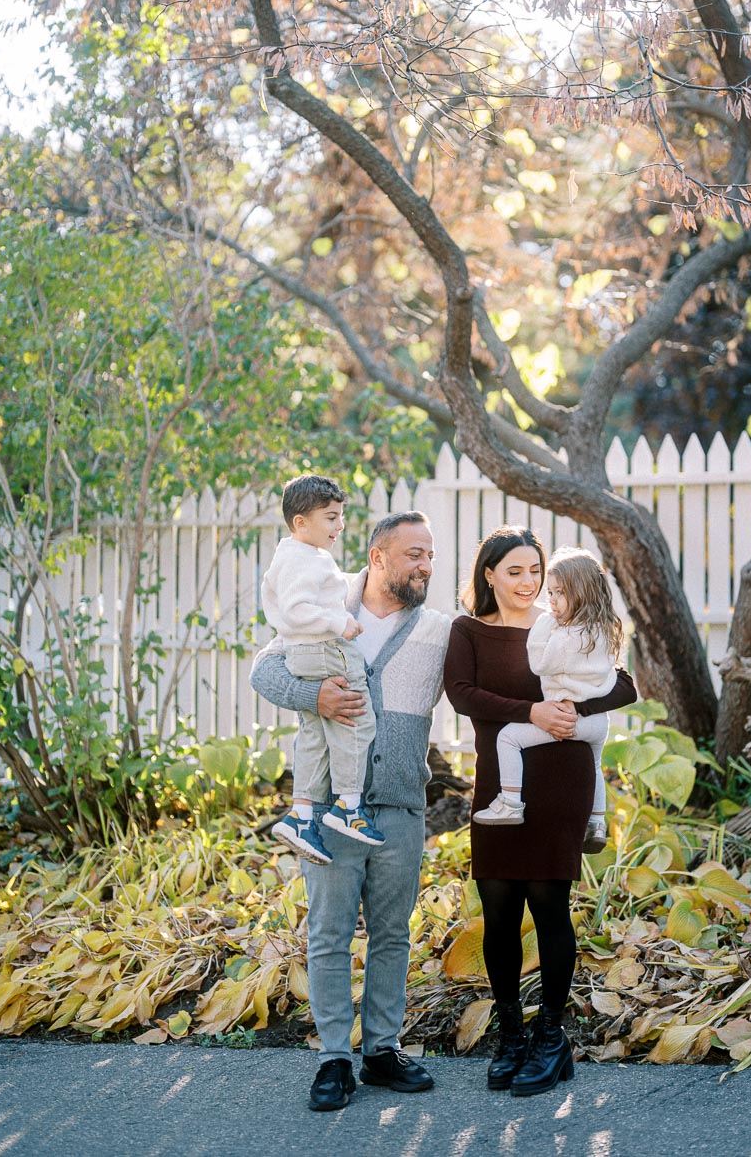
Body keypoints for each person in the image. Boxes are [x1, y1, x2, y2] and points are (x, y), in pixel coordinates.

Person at [250, 512, 452, 1112]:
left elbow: (485, 679)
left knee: (392, 935)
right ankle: (335, 1057)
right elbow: (265, 669)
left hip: (400, 806)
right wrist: (313, 694)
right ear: (378, 556)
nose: (425, 566)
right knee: (330, 934)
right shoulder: (324, 606)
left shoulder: (440, 630)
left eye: (430, 555)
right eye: (414, 554)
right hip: (333, 812)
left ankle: (382, 1051)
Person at [443, 526, 636, 1097]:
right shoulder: (469, 631)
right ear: (489, 575)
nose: (529, 583)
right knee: (498, 909)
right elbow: (462, 694)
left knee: (550, 904)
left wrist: (571, 710)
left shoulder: (573, 621)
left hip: (561, 780)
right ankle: (510, 1036)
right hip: (501, 782)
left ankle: (552, 1038)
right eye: (515, 572)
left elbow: (624, 686)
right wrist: (532, 709)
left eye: (536, 571)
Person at [261, 473, 384, 862]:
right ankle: (348, 805)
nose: (340, 525)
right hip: (324, 648)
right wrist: (339, 623)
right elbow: (298, 610)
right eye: (331, 517)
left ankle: (300, 813)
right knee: (356, 720)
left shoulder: (289, 555)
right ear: (302, 522)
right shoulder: (307, 559)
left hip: (303, 652)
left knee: (314, 730)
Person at [473, 546, 622, 855]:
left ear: (580, 594)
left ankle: (510, 802)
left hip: (568, 718)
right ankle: (596, 822)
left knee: (509, 737)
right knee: (594, 765)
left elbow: (541, 664)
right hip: (597, 722)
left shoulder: (565, 635)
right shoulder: (605, 629)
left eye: (558, 593)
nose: (550, 600)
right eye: (551, 592)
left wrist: (543, 626)